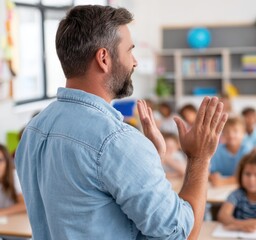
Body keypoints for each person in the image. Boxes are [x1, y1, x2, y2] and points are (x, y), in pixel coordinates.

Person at [15, 5, 227, 240]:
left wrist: (148, 161)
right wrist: (199, 158)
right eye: (130, 51)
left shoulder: (33, 131)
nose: (134, 62)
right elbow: (180, 234)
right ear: (104, 58)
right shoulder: (115, 141)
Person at [217, 150, 256, 232]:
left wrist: (254, 224)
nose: (251, 179)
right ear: (240, 174)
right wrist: (241, 225)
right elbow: (223, 215)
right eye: (247, 174)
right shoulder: (237, 194)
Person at [209, 117, 252, 187]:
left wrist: (222, 182)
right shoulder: (217, 150)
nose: (231, 135)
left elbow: (246, 177)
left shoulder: (247, 151)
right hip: (218, 189)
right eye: (227, 131)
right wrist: (212, 177)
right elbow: (209, 172)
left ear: (243, 134)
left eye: (235, 131)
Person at [0, 144, 26, 216]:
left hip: (14, 222)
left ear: (7, 163)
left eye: (0, 160)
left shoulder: (14, 176)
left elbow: (24, 205)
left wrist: (1, 212)